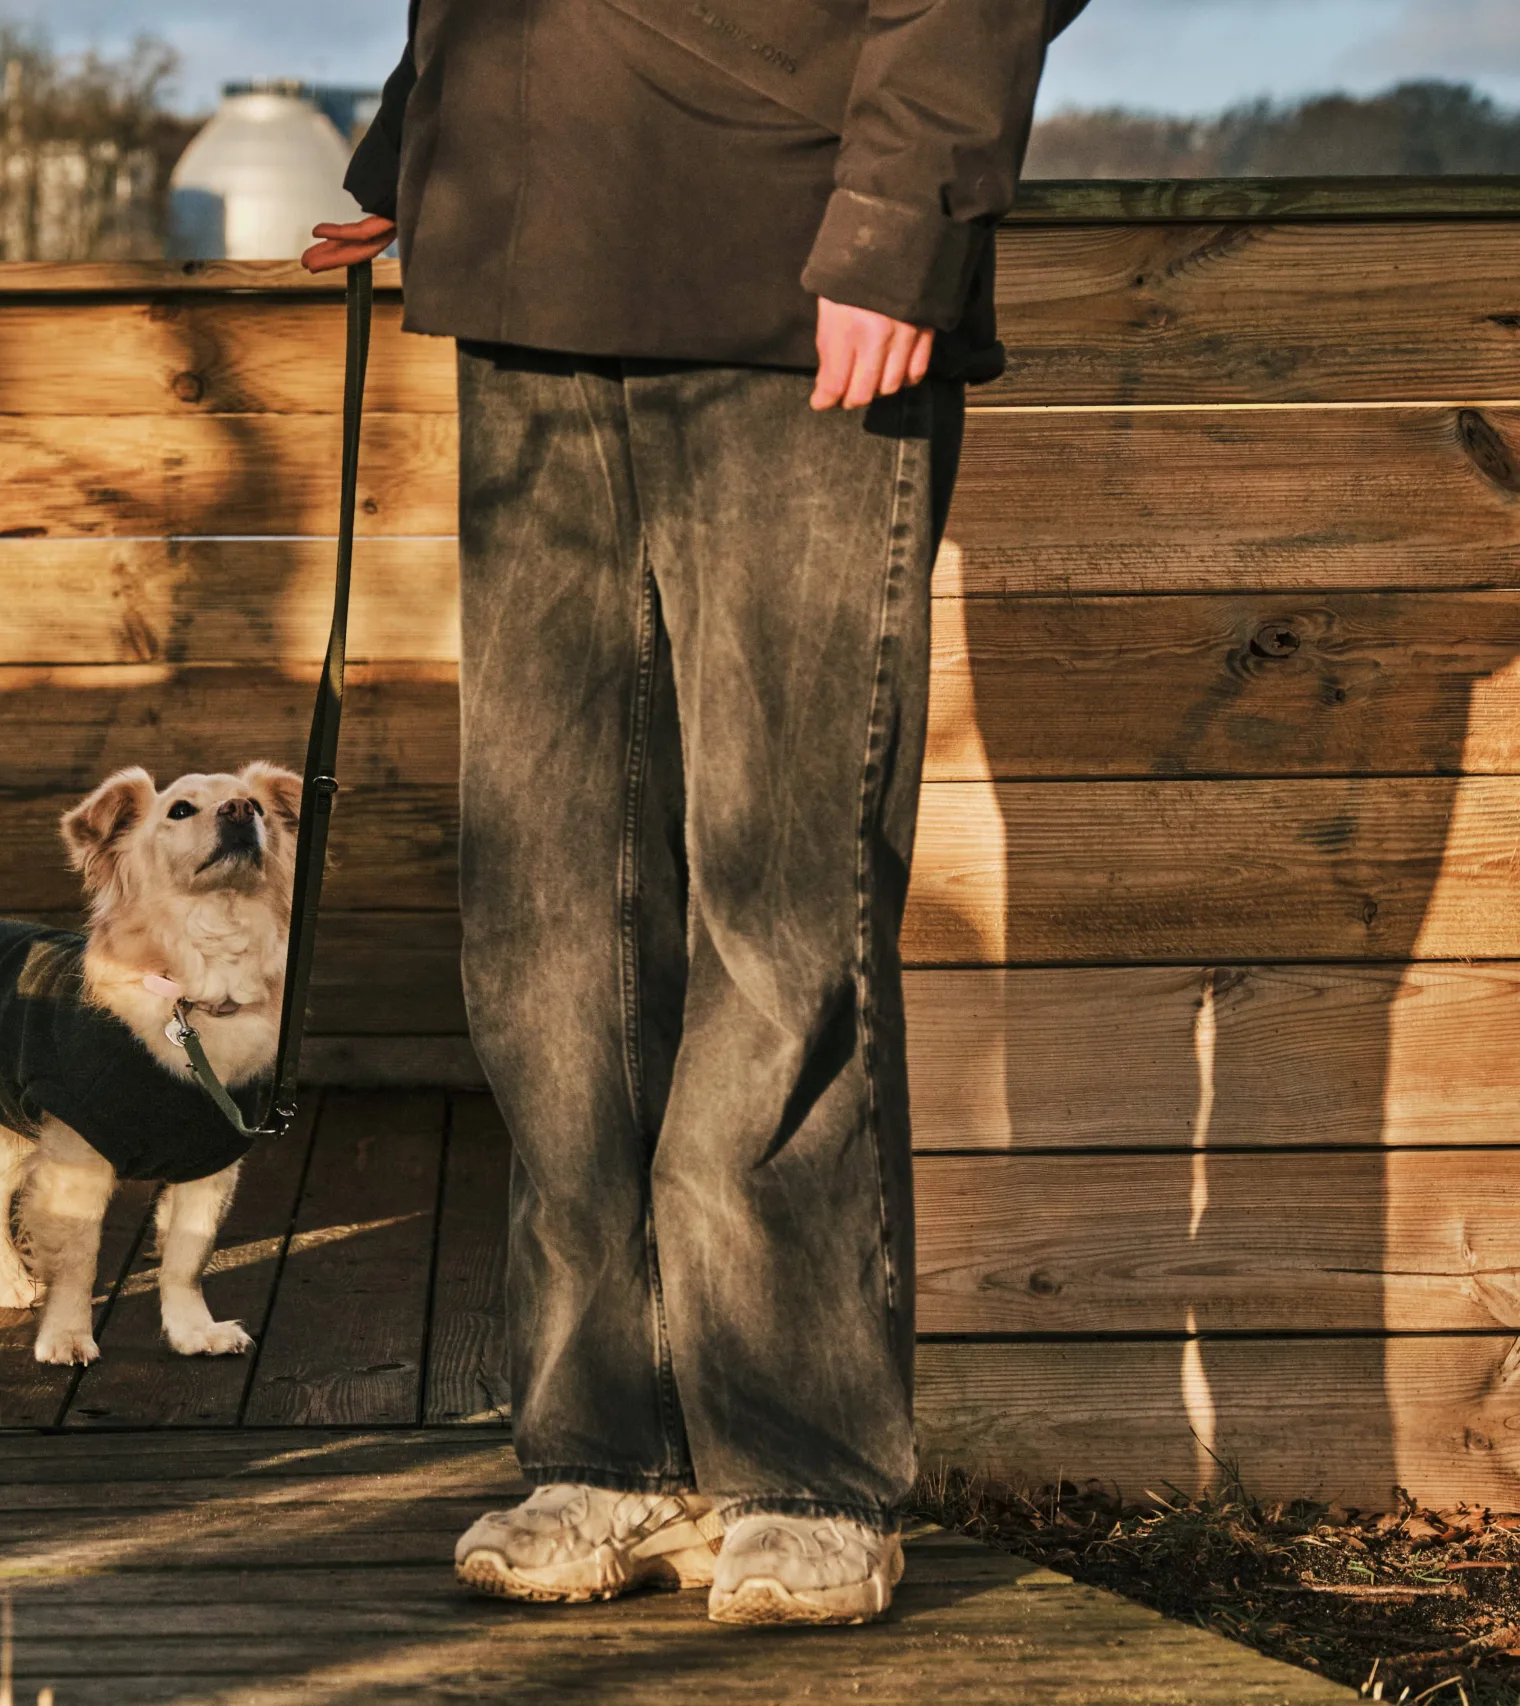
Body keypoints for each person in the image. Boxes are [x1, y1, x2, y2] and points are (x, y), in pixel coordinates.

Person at [304, 0, 1089, 1627]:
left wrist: (902, 213)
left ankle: (802, 1465)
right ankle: (604, 1448)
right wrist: (422, 134)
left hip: (798, 255)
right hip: (528, 243)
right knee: (543, 912)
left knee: (778, 895)